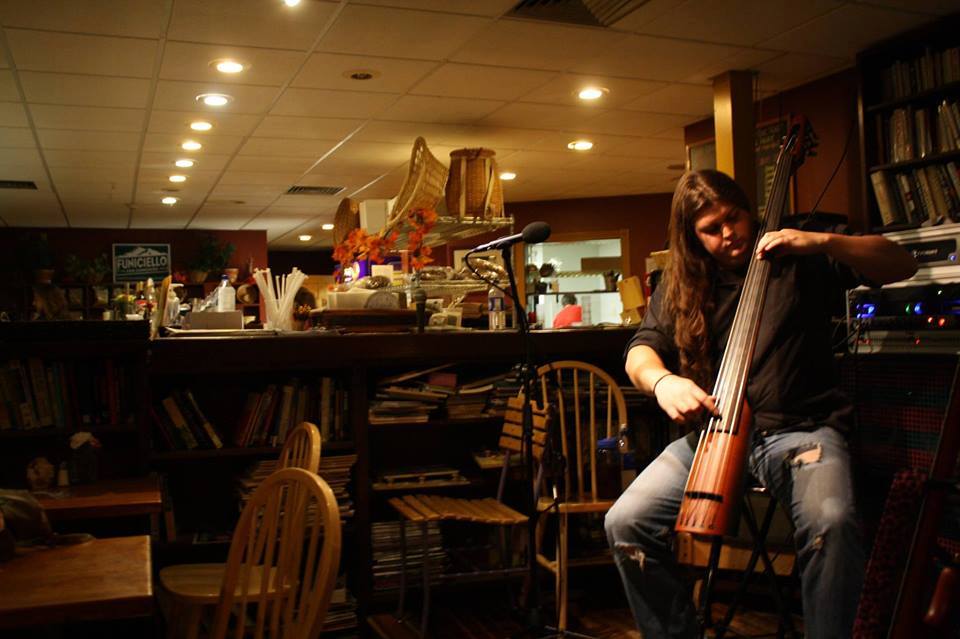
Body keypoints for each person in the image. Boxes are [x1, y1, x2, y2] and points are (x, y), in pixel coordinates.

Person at [604, 169, 917, 638]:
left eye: (734, 217)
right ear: (693, 238)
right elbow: (639, 352)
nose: (729, 232)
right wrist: (663, 382)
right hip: (714, 434)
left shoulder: (798, 254)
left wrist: (823, 242)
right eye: (711, 228)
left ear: (749, 210)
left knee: (832, 522)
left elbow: (901, 264)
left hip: (802, 430)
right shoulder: (683, 282)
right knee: (626, 521)